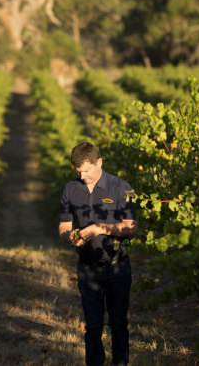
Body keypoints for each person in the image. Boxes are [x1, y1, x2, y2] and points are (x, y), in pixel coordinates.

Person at [59, 142, 137, 366]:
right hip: (86, 268)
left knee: (118, 324)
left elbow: (131, 227)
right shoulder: (70, 189)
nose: (82, 176)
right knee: (92, 325)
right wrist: (70, 237)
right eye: (78, 172)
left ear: (99, 163)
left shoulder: (121, 188)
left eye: (86, 170)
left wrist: (99, 228)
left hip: (116, 267)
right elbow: (64, 226)